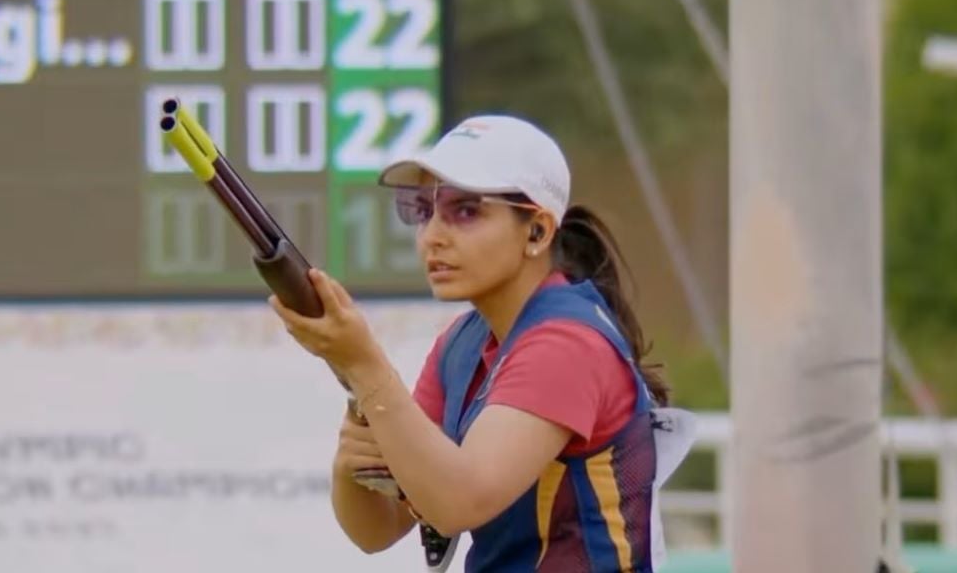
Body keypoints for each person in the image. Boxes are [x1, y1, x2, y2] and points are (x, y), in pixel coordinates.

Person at [270, 114, 689, 572]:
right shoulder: (461, 344)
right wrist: (351, 462)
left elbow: (458, 503)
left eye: (465, 211)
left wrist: (363, 364)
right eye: (422, 211)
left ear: (538, 231)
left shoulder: (566, 345)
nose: (432, 236)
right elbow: (379, 528)